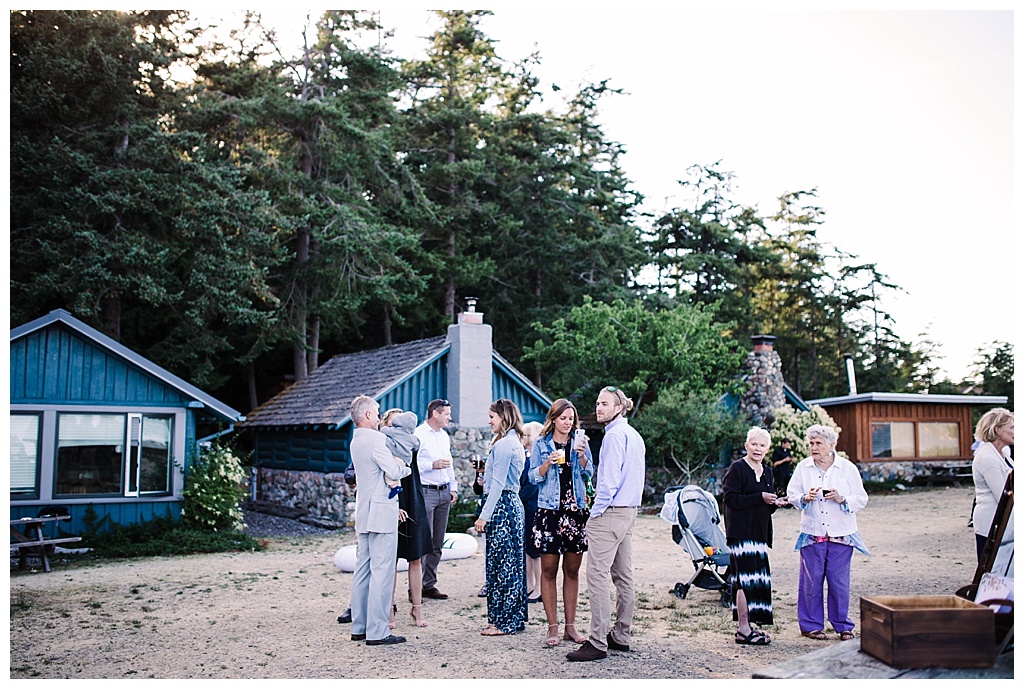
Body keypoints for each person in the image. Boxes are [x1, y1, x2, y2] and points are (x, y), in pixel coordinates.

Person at [566, 386, 645, 662]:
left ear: (619, 407)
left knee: (597, 576)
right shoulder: (633, 435)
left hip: (611, 512)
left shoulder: (614, 436)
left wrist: (594, 515)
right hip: (629, 511)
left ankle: (598, 641)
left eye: (605, 404)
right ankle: (621, 636)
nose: (599, 408)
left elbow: (609, 482)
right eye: (598, 403)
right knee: (624, 576)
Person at [786, 424, 869, 642]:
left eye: (818, 443)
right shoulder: (803, 468)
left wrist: (842, 498)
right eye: (811, 443)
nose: (813, 447)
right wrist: (805, 497)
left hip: (842, 534)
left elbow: (861, 498)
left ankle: (843, 625)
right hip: (812, 533)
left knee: (839, 582)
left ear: (831, 445)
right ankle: (811, 626)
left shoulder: (847, 468)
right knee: (811, 582)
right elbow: (791, 494)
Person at [529, 399, 594, 647]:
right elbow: (533, 477)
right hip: (549, 512)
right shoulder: (541, 444)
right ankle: (552, 628)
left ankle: (570, 628)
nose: (567, 423)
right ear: (553, 418)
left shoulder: (581, 442)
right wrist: (546, 463)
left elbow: (590, 473)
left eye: (570, 419)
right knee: (548, 570)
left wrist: (583, 458)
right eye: (563, 418)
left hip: (575, 511)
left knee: (572, 571)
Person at [348, 395, 410, 646]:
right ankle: (377, 631)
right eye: (376, 412)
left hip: (363, 511)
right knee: (382, 572)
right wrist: (404, 466)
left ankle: (359, 626)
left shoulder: (356, 440)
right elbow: (393, 471)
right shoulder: (376, 440)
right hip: (381, 512)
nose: (379, 415)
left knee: (362, 571)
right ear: (368, 415)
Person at [723, 427, 786, 646]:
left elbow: (765, 506)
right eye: (754, 444)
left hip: (759, 534)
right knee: (744, 580)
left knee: (758, 580)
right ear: (746, 445)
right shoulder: (737, 468)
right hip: (740, 534)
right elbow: (731, 499)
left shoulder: (767, 472)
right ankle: (743, 629)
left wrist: (775, 503)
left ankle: (751, 625)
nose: (758, 449)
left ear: (767, 449)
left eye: (762, 445)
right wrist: (760, 497)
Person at [474, 399, 528, 636]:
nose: (489, 421)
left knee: (501, 565)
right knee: (512, 563)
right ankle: (512, 618)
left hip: (503, 506)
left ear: (503, 417)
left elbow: (498, 484)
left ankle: (501, 622)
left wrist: (484, 515)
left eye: (492, 417)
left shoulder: (505, 445)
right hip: (511, 504)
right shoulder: (513, 442)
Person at [381, 408, 432, 628]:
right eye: (393, 424)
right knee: (390, 559)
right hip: (393, 499)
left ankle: (417, 608)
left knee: (415, 558)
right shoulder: (383, 442)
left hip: (414, 498)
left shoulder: (412, 442)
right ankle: (388, 608)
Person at [415, 399, 458, 601]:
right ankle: (414, 588)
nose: (450, 417)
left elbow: (449, 463)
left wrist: (453, 488)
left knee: (437, 542)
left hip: (443, 493)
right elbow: (413, 463)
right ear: (435, 414)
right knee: (423, 541)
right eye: (447, 414)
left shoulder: (444, 436)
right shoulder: (418, 435)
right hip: (426, 492)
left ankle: (429, 585)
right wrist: (432, 464)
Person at [970, 408, 1014, 562]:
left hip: (1006, 525)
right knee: (990, 571)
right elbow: (1004, 495)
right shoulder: (987, 458)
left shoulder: (1005, 453)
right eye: (1012, 427)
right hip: (990, 525)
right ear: (998, 430)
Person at [520, 420, 544, 604]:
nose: (524, 438)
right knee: (528, 550)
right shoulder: (527, 457)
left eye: (528, 435)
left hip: (533, 507)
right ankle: (529, 584)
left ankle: (539, 588)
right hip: (527, 507)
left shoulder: (536, 459)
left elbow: (531, 485)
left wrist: (517, 498)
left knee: (535, 551)